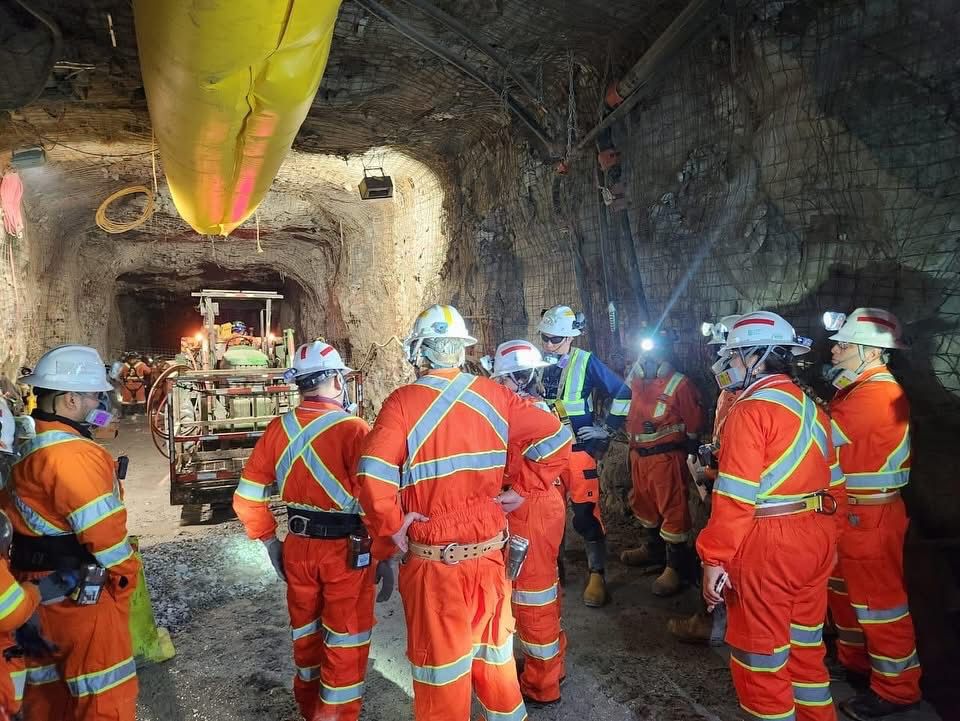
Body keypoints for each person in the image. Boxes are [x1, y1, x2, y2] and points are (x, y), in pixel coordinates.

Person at [357, 304, 571, 721]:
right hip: (491, 557)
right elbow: (556, 438)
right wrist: (524, 489)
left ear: (419, 352)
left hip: (436, 563)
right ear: (461, 350)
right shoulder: (496, 395)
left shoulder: (402, 403)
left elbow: (372, 474)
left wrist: (391, 529)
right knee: (497, 667)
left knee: (443, 678)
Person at [697, 311, 842, 721]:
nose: (731, 365)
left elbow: (736, 497)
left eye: (737, 356)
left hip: (769, 543)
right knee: (804, 653)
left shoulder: (750, 410)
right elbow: (838, 484)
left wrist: (714, 558)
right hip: (816, 535)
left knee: (760, 659)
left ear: (758, 356)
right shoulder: (813, 406)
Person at [233, 340, 388, 721]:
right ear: (337, 380)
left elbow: (246, 497)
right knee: (346, 638)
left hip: (298, 546)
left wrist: (271, 543)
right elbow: (375, 500)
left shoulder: (278, 429)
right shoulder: (355, 430)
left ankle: (309, 707)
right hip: (347, 552)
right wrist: (385, 553)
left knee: (306, 632)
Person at [3, 345, 139, 721]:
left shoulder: (31, 447)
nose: (101, 402)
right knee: (104, 696)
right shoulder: (73, 456)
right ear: (70, 399)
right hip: (80, 598)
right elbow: (106, 536)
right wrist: (126, 580)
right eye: (95, 395)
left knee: (48, 699)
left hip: (37, 592)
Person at [822, 308, 921, 720]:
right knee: (845, 598)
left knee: (879, 605)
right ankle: (857, 666)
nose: (834, 348)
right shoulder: (854, 388)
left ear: (871, 351)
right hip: (853, 515)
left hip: (872, 517)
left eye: (844, 343)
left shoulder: (877, 393)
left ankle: (897, 690)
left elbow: (821, 437)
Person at [488, 340, 567, 706]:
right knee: (539, 591)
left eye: (500, 378)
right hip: (535, 503)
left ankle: (542, 684)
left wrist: (522, 487)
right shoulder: (528, 407)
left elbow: (560, 439)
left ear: (515, 379)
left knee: (532, 596)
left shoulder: (522, 411)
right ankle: (547, 665)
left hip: (530, 507)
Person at [537, 304, 630, 607]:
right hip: (547, 452)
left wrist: (607, 429)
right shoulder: (536, 364)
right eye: (546, 338)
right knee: (548, 513)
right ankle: (554, 568)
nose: (549, 345)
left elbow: (623, 392)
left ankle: (597, 574)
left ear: (570, 338)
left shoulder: (585, 362)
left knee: (585, 514)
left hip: (578, 453)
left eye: (555, 340)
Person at [669, 315, 741, 642]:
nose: (718, 361)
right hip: (722, 480)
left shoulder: (751, 399)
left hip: (739, 494)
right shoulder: (731, 391)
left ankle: (713, 625)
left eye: (724, 354)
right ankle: (717, 621)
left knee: (724, 556)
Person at [619, 327, 703, 597]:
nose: (647, 358)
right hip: (638, 457)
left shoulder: (680, 384)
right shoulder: (634, 381)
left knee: (673, 508)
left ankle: (675, 566)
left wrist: (691, 452)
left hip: (666, 458)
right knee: (643, 503)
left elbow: (693, 423)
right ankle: (653, 549)